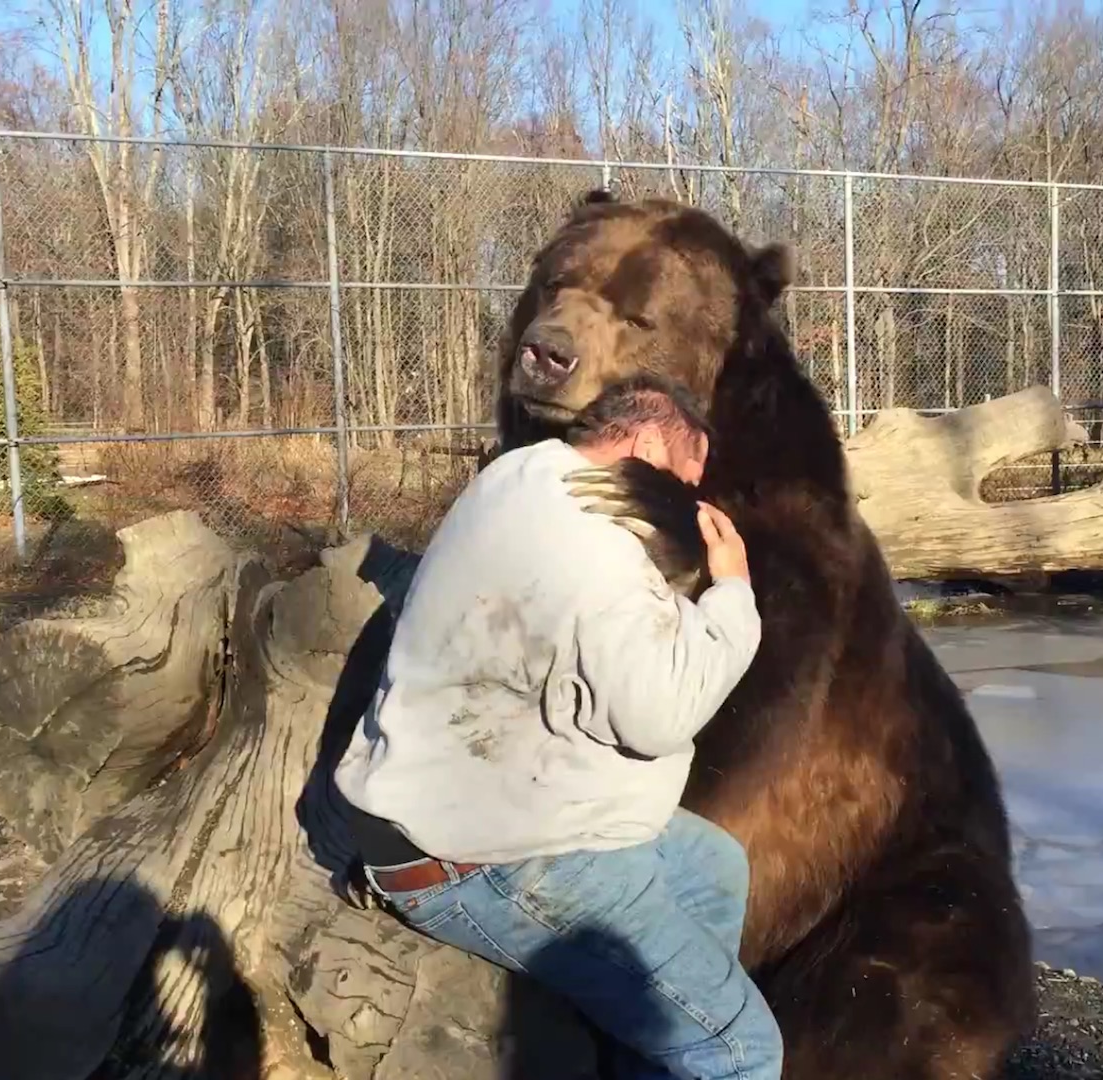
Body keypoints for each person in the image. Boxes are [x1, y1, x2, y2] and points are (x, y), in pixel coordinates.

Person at [332, 373, 781, 1079]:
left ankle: (658, 1041)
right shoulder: (598, 545)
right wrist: (731, 591)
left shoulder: (521, 474)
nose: (689, 501)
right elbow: (660, 715)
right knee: (740, 1049)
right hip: (488, 857)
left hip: (473, 802)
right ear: (647, 442)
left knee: (712, 865)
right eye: (685, 478)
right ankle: (693, 1046)